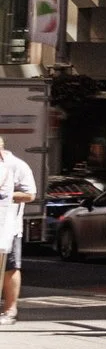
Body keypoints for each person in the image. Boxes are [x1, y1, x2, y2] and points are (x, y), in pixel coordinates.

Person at [0, 132, 34, 326]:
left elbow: (30, 194)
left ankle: (10, 309)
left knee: (10, 267)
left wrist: (7, 195)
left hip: (8, 225)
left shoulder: (17, 165)